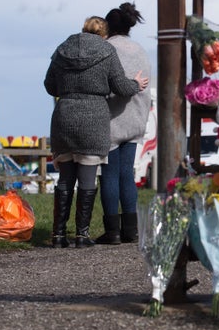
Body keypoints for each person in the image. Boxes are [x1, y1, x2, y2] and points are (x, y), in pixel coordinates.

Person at [44, 16, 148, 248]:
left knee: (65, 179)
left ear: (83, 29)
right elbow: (121, 87)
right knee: (88, 179)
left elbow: (50, 85)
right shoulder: (106, 50)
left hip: (64, 116)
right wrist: (136, 84)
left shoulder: (62, 49)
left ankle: (58, 235)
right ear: (104, 34)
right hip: (94, 117)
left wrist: (69, 87)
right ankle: (82, 235)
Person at [95, 2, 151, 245]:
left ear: (107, 26)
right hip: (136, 118)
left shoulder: (105, 48)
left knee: (109, 175)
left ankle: (113, 231)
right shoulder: (139, 49)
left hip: (111, 119)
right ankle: (132, 229)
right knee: (127, 174)